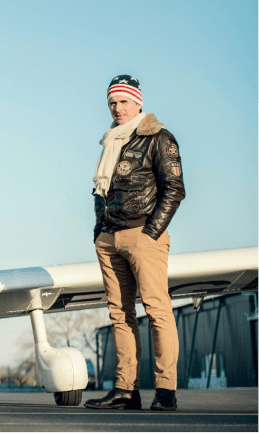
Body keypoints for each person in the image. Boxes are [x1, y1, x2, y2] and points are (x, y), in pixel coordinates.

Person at [84, 75, 185, 411]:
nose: (118, 108)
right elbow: (102, 191)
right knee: (120, 314)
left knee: (157, 310)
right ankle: (126, 391)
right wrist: (100, 232)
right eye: (113, 102)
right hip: (109, 238)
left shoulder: (158, 137)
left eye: (124, 101)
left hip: (144, 234)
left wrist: (151, 232)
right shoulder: (111, 141)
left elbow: (174, 189)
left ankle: (165, 391)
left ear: (138, 102)